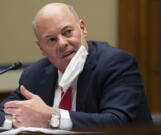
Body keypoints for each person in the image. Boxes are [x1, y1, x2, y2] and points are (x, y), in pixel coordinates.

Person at [0, 2, 152, 130]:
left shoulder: (116, 64)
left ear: (83, 29)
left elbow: (117, 123)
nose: (62, 43)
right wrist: (17, 120)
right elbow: (4, 112)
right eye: (51, 40)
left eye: (67, 32)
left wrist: (51, 117)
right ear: (41, 48)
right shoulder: (35, 74)